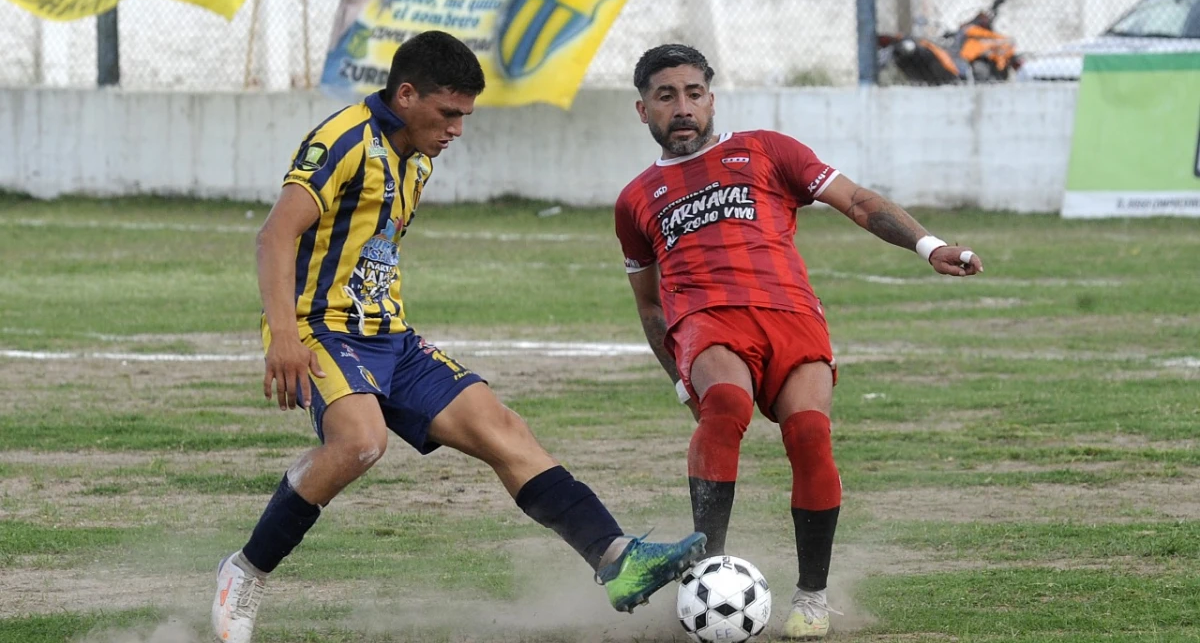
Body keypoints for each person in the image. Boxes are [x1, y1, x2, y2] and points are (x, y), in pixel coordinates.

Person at [212, 31, 706, 643]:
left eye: (464, 117)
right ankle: (245, 571)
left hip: (388, 335)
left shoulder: (414, 155)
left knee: (502, 427)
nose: (456, 130)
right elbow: (275, 235)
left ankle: (617, 558)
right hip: (321, 329)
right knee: (361, 443)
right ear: (407, 94)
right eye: (448, 114)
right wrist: (283, 336)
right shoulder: (343, 140)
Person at [613, 44, 983, 640]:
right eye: (666, 96)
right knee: (725, 407)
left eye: (694, 93)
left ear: (711, 98)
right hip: (709, 319)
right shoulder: (635, 199)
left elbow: (859, 203)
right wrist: (680, 378)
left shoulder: (765, 150)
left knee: (810, 435)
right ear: (643, 110)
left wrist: (929, 246)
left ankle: (812, 598)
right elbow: (651, 305)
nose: (682, 108)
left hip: (791, 315)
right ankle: (710, 575)